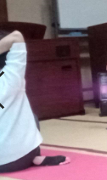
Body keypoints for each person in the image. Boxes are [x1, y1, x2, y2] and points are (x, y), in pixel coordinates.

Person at [0, 31, 70, 172]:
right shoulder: (11, 75)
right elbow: (17, 36)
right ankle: (34, 156)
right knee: (30, 116)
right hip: (17, 161)